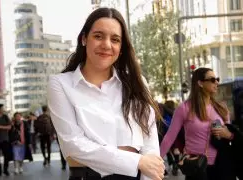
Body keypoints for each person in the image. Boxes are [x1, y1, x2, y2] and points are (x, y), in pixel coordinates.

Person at [47, 7, 165, 180]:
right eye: (98, 36)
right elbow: (74, 145)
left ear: (122, 47)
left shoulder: (137, 83)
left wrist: (145, 169)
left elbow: (149, 142)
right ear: (84, 38)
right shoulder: (60, 84)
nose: (107, 45)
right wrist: (136, 159)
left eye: (115, 39)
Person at [160, 67, 237, 180]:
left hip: (222, 166)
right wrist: (156, 161)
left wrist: (228, 134)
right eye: (212, 79)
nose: (216, 82)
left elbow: (229, 138)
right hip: (197, 167)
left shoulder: (221, 108)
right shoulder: (184, 108)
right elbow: (169, 137)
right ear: (200, 83)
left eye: (217, 79)